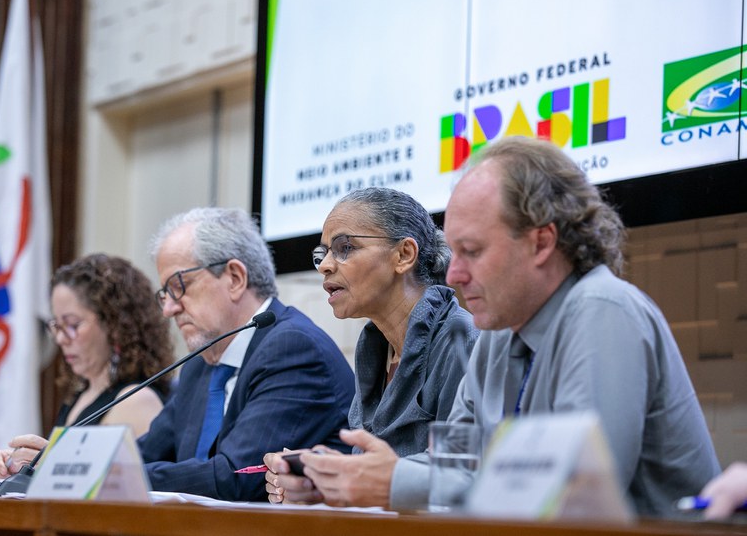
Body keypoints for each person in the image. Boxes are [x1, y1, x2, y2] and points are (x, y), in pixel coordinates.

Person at [268, 136, 720, 517]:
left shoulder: (602, 309)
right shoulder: (500, 336)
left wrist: (395, 484)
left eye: (472, 251)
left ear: (541, 241)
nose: (453, 274)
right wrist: (338, 479)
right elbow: (455, 466)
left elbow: (574, 496)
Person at [264, 188, 478, 504]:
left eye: (345, 248)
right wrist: (319, 477)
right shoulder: (374, 348)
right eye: (322, 254)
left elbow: (460, 477)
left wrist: (344, 476)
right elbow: (373, 475)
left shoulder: (463, 339)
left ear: (404, 254)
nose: (324, 266)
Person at [136, 207, 354, 501]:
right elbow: (143, 452)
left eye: (178, 287)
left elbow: (237, 477)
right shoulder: (199, 367)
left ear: (235, 278)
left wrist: (113, 474)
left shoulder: (293, 349)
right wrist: (67, 460)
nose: (168, 309)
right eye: (165, 294)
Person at [0, 253, 174, 477]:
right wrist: (12, 467)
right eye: (56, 325)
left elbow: (120, 493)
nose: (61, 339)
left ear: (115, 324)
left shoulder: (137, 400)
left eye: (72, 325)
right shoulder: (80, 396)